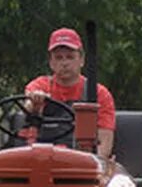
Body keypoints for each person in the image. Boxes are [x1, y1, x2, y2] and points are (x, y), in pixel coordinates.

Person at [24, 27, 116, 159]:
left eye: (70, 57)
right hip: (41, 159)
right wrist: (35, 103)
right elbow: (27, 105)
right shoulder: (40, 86)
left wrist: (94, 163)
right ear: (51, 62)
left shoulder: (99, 94)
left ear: (82, 60)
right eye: (59, 57)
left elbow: (104, 141)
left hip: (81, 163)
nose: (65, 63)